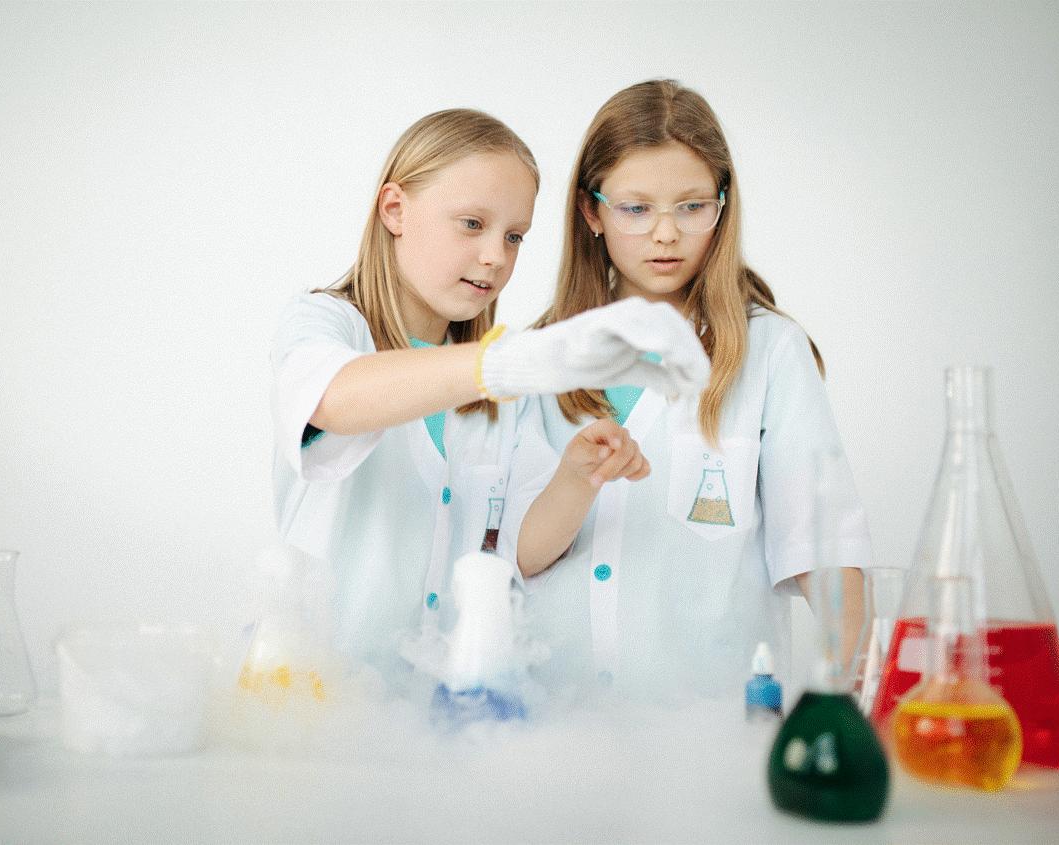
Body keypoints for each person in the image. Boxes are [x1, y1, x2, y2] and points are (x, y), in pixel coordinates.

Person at [270, 108, 709, 677]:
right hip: (316, 693)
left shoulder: (498, 391)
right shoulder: (326, 323)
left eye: (514, 236)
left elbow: (519, 553)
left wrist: (578, 478)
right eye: (472, 224)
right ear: (395, 210)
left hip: (440, 700)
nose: (495, 257)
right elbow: (333, 399)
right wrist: (503, 363)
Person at [524, 80, 870, 701]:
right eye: (635, 209)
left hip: (714, 726)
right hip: (553, 716)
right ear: (591, 212)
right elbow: (512, 555)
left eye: (691, 207)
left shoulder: (770, 351)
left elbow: (823, 548)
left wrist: (856, 691)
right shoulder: (536, 359)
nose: (666, 234)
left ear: (722, 206)